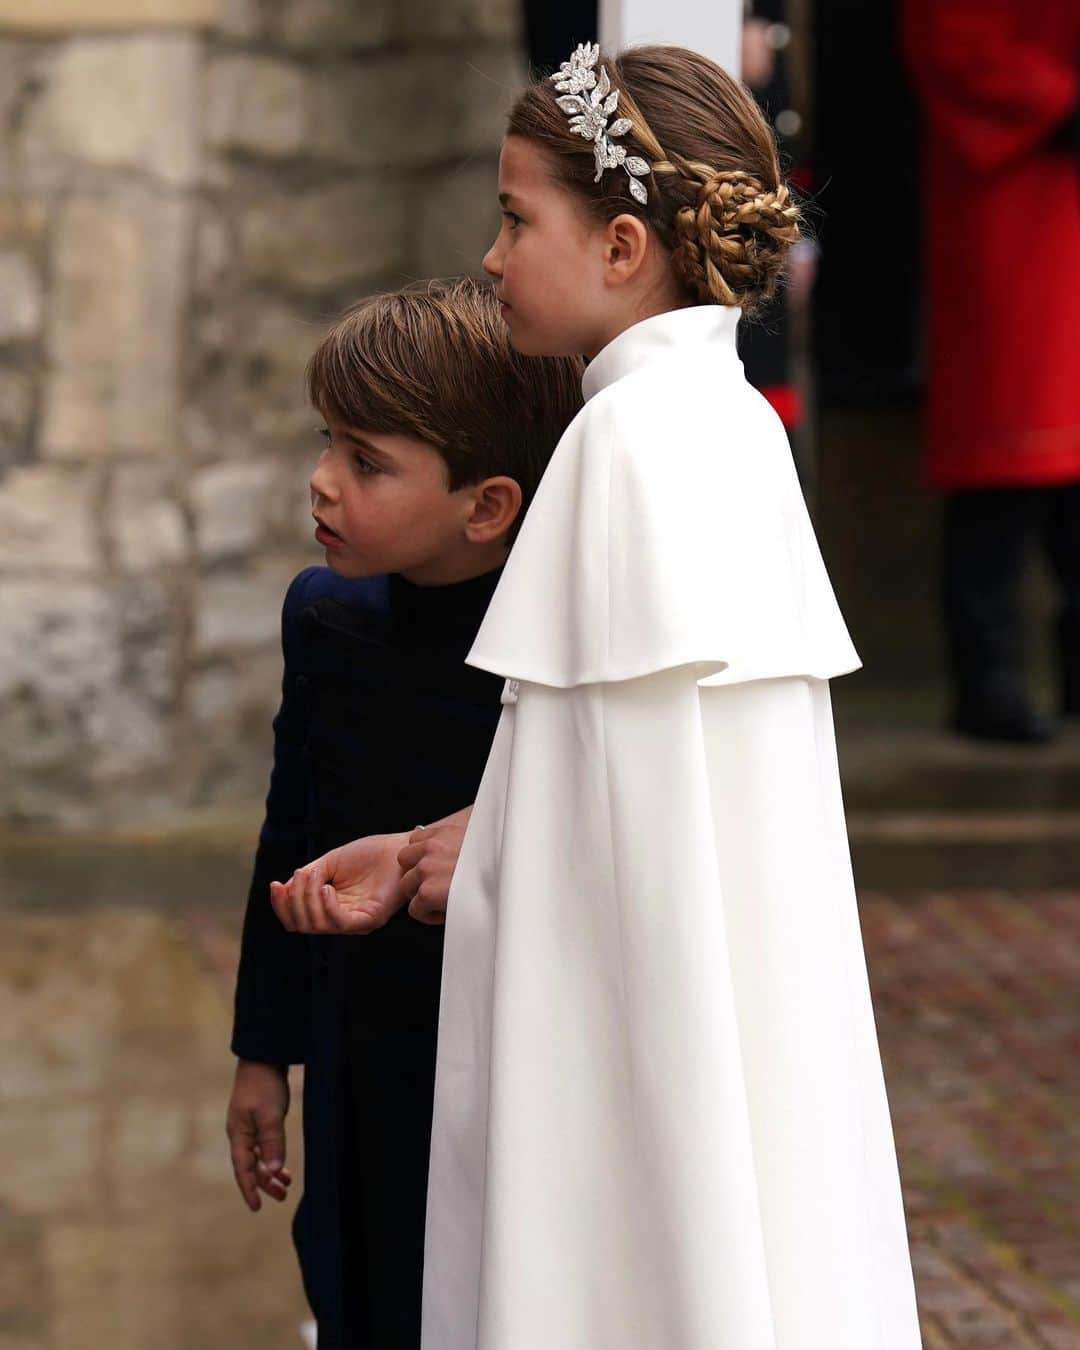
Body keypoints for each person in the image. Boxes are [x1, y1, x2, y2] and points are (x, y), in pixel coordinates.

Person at [286, 43, 922, 1348]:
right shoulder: (729, 420)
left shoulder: (624, 445)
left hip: (634, 1069)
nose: (495, 255)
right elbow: (639, 794)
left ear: (624, 245)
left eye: (519, 218)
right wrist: (428, 849)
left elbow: (623, 868)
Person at [225, 278, 582, 1350]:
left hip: (499, 1067)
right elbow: (289, 832)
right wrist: (261, 1052)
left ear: (487, 505)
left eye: (367, 462)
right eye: (328, 442)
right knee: (353, 1287)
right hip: (353, 1058)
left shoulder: (555, 659)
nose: (322, 482)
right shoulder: (326, 616)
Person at [902, 0, 1080, 742]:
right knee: (1007, 450)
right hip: (1018, 193)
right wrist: (1058, 101)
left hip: (1050, 188)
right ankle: (989, 678)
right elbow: (950, 38)